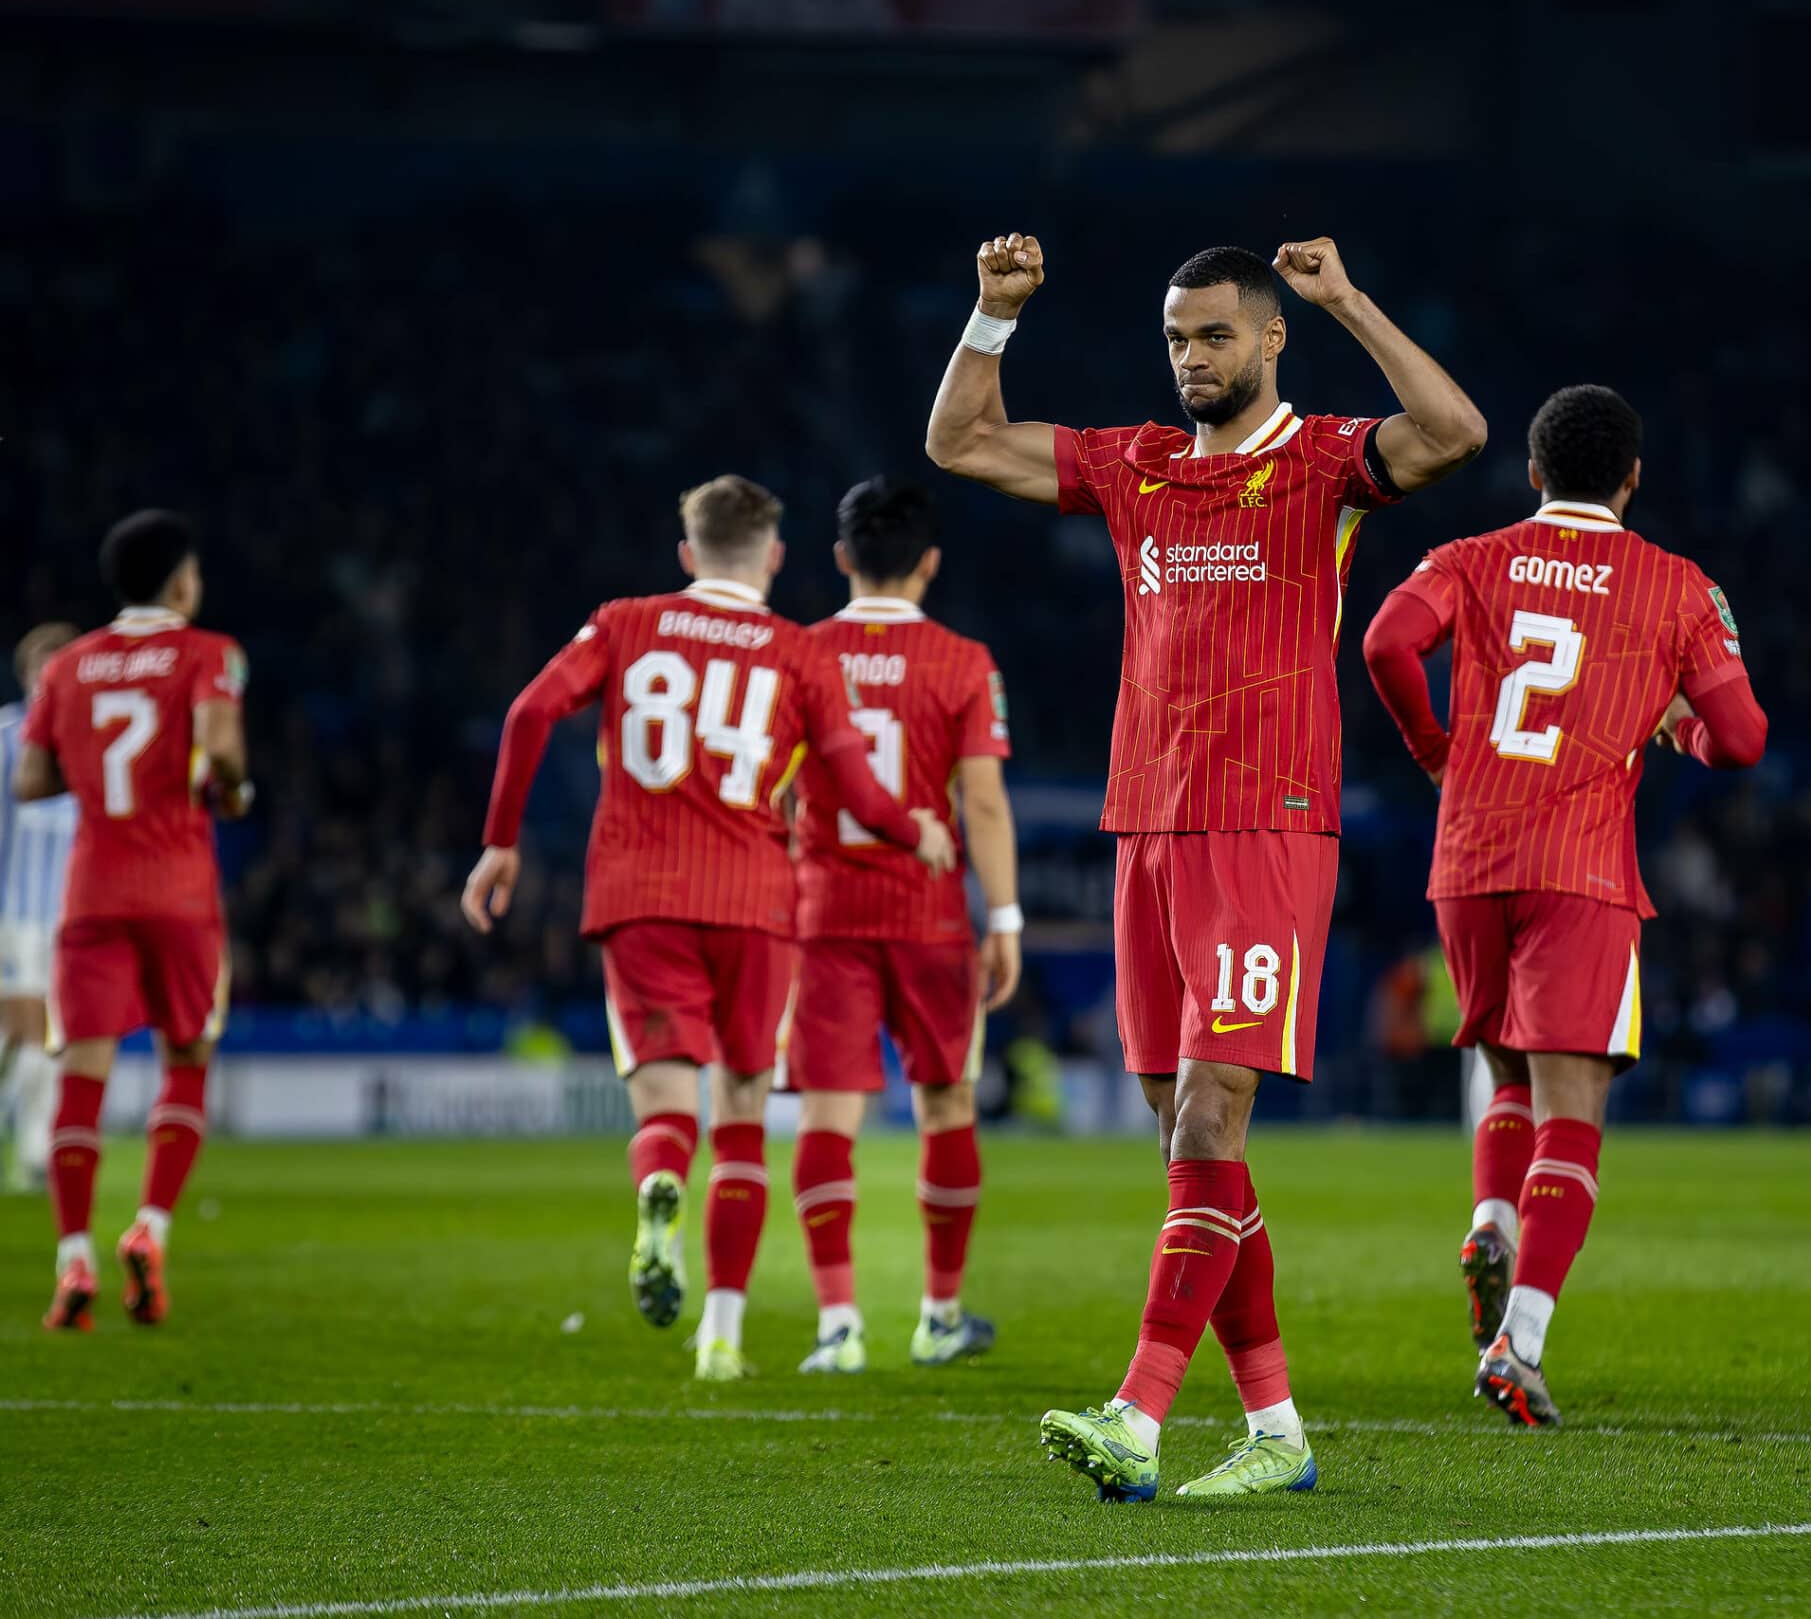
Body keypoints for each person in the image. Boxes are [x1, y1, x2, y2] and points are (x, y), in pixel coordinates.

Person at [925, 232, 1484, 1499]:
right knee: (1190, 1151)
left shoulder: (1324, 464)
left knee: (1207, 1116)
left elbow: (1452, 429)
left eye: (1216, 334)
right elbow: (959, 443)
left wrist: (1345, 296)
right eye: (1177, 337)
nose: (1192, 358)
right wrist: (991, 317)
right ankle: (1277, 1430)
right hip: (1148, 827)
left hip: (1264, 821)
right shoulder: (1138, 464)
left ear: (1270, 338)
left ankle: (1138, 1413)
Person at [460, 477, 953, 1382]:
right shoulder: (800, 654)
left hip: (640, 893)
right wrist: (913, 828)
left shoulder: (621, 623)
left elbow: (529, 711)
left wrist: (500, 845)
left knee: (666, 1112)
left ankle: (658, 1183)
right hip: (757, 904)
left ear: (687, 554)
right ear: (772, 556)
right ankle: (720, 1336)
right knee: (741, 1121)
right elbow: (851, 785)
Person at [1361, 384, 1767, 1426]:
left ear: (1532, 473)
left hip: (1469, 855)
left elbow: (1383, 644)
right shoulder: (1676, 588)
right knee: (1572, 1112)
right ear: (1633, 479)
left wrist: (1431, 751)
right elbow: (1744, 741)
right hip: (1579, 870)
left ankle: (1491, 1220)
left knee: (1505, 1071)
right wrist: (1681, 722)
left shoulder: (1469, 557)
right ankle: (1521, 1342)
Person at [785, 476, 1021, 1375]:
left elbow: (774, 788)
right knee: (947, 1102)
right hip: (928, 918)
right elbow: (985, 803)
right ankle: (938, 1313)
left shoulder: (798, 655)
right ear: (930, 561)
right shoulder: (964, 661)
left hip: (825, 912)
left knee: (827, 1111)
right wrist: (1002, 916)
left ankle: (838, 1325)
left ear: (842, 558)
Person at [16, 514, 250, 1331]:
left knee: (81, 1073)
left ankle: (71, 1256)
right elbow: (221, 754)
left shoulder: (68, 665)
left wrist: (94, 772)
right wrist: (234, 791)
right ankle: (149, 1229)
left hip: (92, 892)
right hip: (178, 889)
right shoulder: (208, 652)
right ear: (182, 581)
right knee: (186, 1055)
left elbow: (29, 781)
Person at [0, 624, 80, 1192]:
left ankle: (9, 1134)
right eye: (42, 669)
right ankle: (32, 1147)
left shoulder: (85, 742)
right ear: (24, 675)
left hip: (68, 918)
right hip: (9, 912)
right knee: (30, 1031)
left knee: (46, 1036)